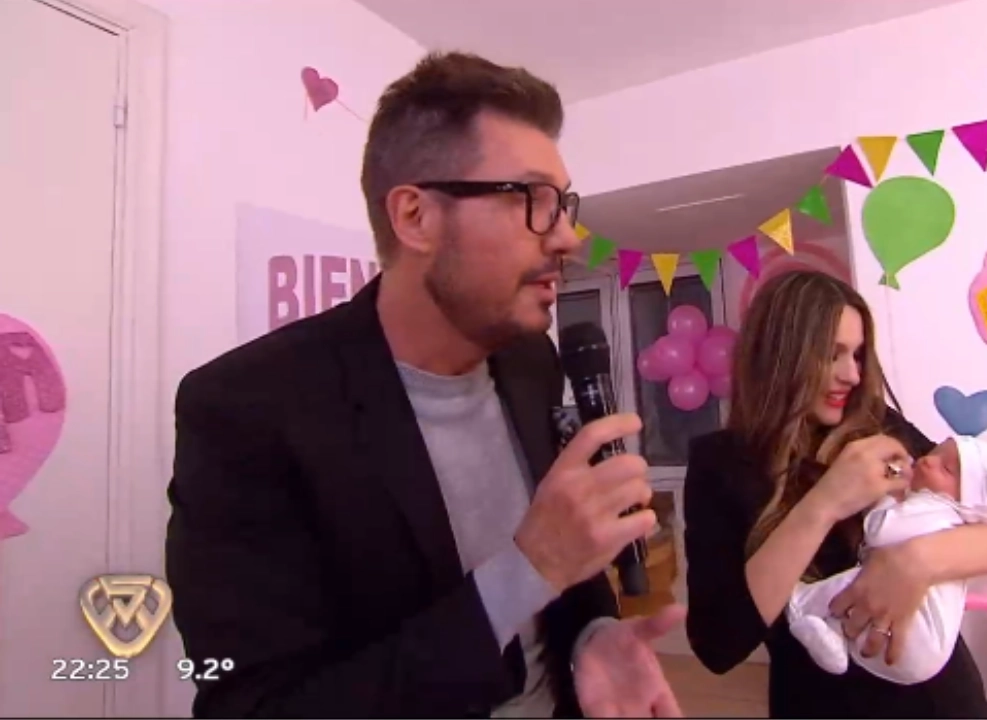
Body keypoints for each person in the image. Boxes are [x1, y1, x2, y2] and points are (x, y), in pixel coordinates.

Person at [165, 52, 682, 719]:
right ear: (415, 217)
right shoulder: (246, 409)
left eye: (563, 204)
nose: (568, 238)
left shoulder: (530, 362)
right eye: (532, 200)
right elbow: (255, 707)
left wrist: (592, 633)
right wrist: (528, 569)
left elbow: (563, 555)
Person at [682, 269, 987, 718]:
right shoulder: (720, 463)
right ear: (779, 355)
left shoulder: (879, 426)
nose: (852, 374)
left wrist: (915, 562)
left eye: (857, 354)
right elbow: (718, 644)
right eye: (831, 355)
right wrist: (825, 504)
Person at [787, 435, 987, 682]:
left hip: (913, 649)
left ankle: (802, 604)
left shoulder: (934, 510)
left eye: (946, 468)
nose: (926, 460)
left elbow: (880, 531)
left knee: (862, 580)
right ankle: (833, 637)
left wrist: (889, 500)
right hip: (918, 656)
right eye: (934, 452)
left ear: (970, 499)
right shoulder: (948, 507)